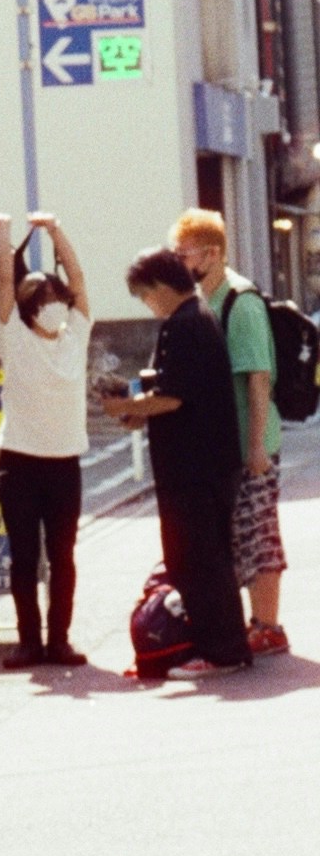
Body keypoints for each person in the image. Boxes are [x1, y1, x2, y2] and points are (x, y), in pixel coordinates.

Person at [99, 247, 251, 673]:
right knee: (198, 558)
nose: (147, 305)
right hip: (201, 466)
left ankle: (221, 651)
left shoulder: (187, 325)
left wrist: (122, 410)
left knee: (200, 559)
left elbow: (172, 396)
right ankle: (219, 646)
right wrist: (134, 414)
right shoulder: (192, 320)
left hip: (197, 469)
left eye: (145, 295)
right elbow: (173, 396)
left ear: (162, 287)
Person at [172, 207, 288, 655]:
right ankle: (255, 624)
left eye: (186, 253)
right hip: (228, 445)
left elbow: (258, 376)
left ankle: (268, 626)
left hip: (252, 443)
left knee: (259, 533)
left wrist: (256, 444)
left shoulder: (241, 302)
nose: (180, 262)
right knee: (239, 535)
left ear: (213, 253)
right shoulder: (208, 300)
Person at [0, 212, 91, 670]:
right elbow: (5, 282)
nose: (56, 305)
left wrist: (55, 231)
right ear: (31, 308)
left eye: (60, 298)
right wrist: (7, 233)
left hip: (63, 462)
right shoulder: (14, 335)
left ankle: (60, 641)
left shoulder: (76, 336)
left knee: (63, 557)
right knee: (25, 559)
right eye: (46, 299)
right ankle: (28, 641)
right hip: (19, 463)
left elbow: (80, 276)